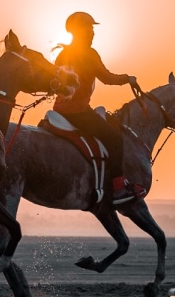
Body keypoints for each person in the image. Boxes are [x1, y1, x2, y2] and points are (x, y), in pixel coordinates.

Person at [52, 12, 146, 205]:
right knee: (114, 137)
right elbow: (107, 78)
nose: (93, 33)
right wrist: (127, 79)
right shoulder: (89, 54)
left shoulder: (63, 54)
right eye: (90, 29)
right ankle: (118, 188)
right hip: (77, 112)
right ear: (80, 31)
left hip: (59, 110)